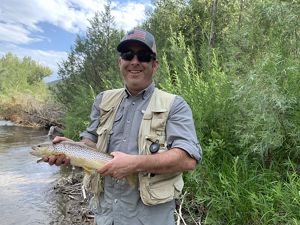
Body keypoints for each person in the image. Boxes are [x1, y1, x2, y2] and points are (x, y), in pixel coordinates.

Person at [45, 28, 202, 225]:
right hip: (106, 214)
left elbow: (188, 159)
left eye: (143, 56)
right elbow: (90, 142)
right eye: (128, 55)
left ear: (154, 65)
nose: (135, 61)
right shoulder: (102, 99)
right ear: (120, 62)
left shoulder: (175, 105)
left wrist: (134, 163)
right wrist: (71, 149)